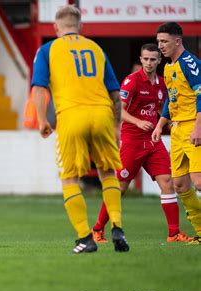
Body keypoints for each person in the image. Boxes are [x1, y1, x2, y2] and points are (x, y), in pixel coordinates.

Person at [31, 5, 129, 254]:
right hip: (103, 114)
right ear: (80, 27)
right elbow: (114, 92)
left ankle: (85, 237)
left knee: (70, 177)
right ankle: (117, 227)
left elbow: (39, 88)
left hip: (72, 116)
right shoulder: (96, 49)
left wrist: (42, 120)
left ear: (55, 28)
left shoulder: (48, 50)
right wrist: (116, 126)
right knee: (108, 172)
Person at [92, 44, 191, 243]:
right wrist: (137, 121)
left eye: (153, 59)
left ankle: (174, 233)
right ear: (141, 59)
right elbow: (119, 110)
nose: (149, 63)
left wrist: (171, 121)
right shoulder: (132, 81)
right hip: (133, 142)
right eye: (145, 59)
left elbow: (163, 108)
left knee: (167, 183)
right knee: (121, 186)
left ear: (159, 61)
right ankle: (97, 229)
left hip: (153, 142)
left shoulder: (161, 84)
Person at [152, 22, 201, 245]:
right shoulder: (168, 67)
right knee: (180, 185)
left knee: (198, 181)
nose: (160, 46)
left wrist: (199, 127)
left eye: (164, 41)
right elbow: (171, 101)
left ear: (177, 41)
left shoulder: (190, 63)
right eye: (158, 42)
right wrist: (160, 125)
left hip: (194, 126)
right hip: (178, 129)